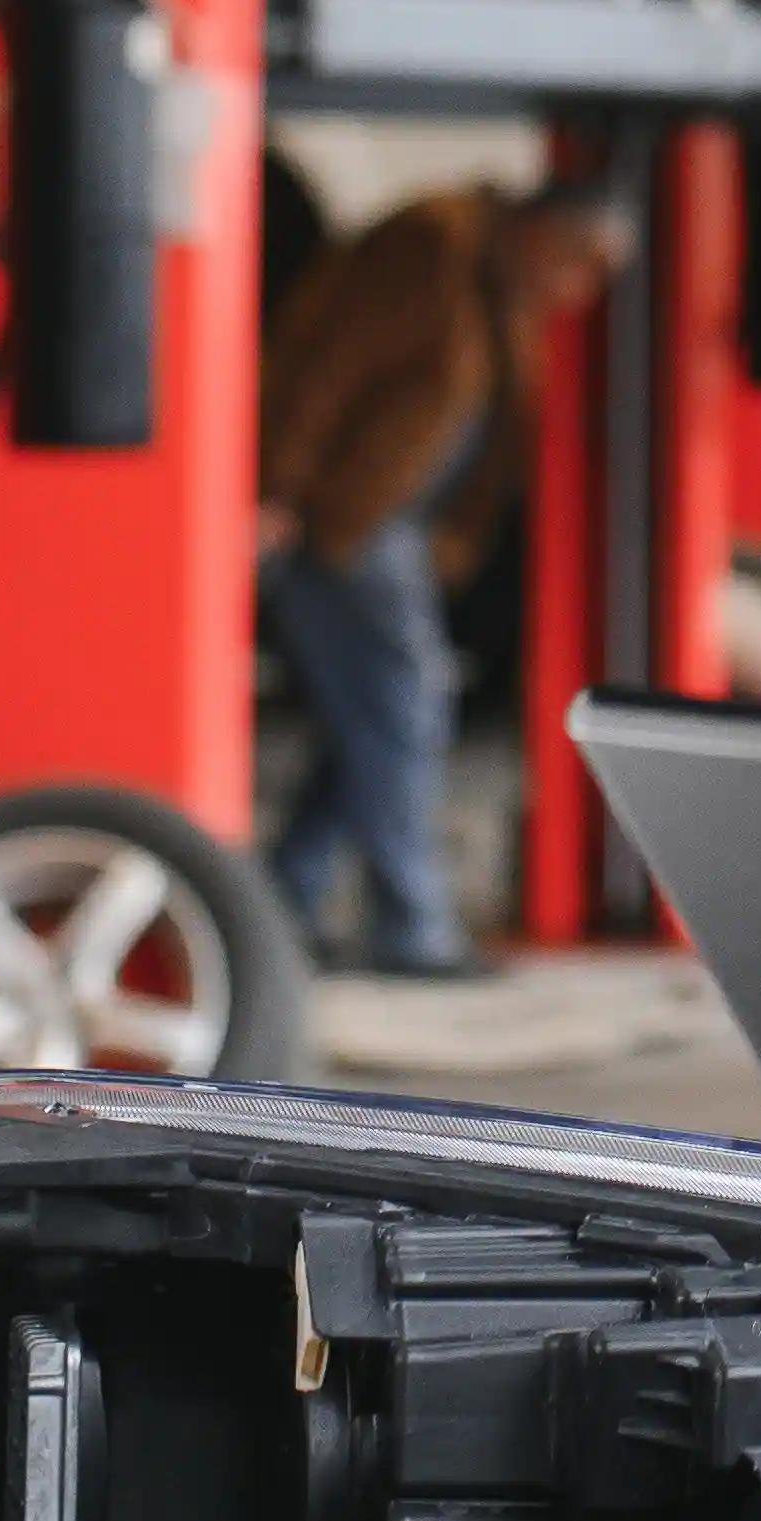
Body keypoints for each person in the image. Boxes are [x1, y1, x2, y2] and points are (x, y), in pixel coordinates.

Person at [255, 180, 629, 978]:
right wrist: (279, 488)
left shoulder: (495, 281)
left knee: (369, 717)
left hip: (389, 524)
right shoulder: (431, 248)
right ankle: (410, 928)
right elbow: (323, 363)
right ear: (547, 233)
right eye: (586, 263)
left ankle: (284, 901)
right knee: (404, 703)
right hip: (345, 517)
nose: (584, 290)